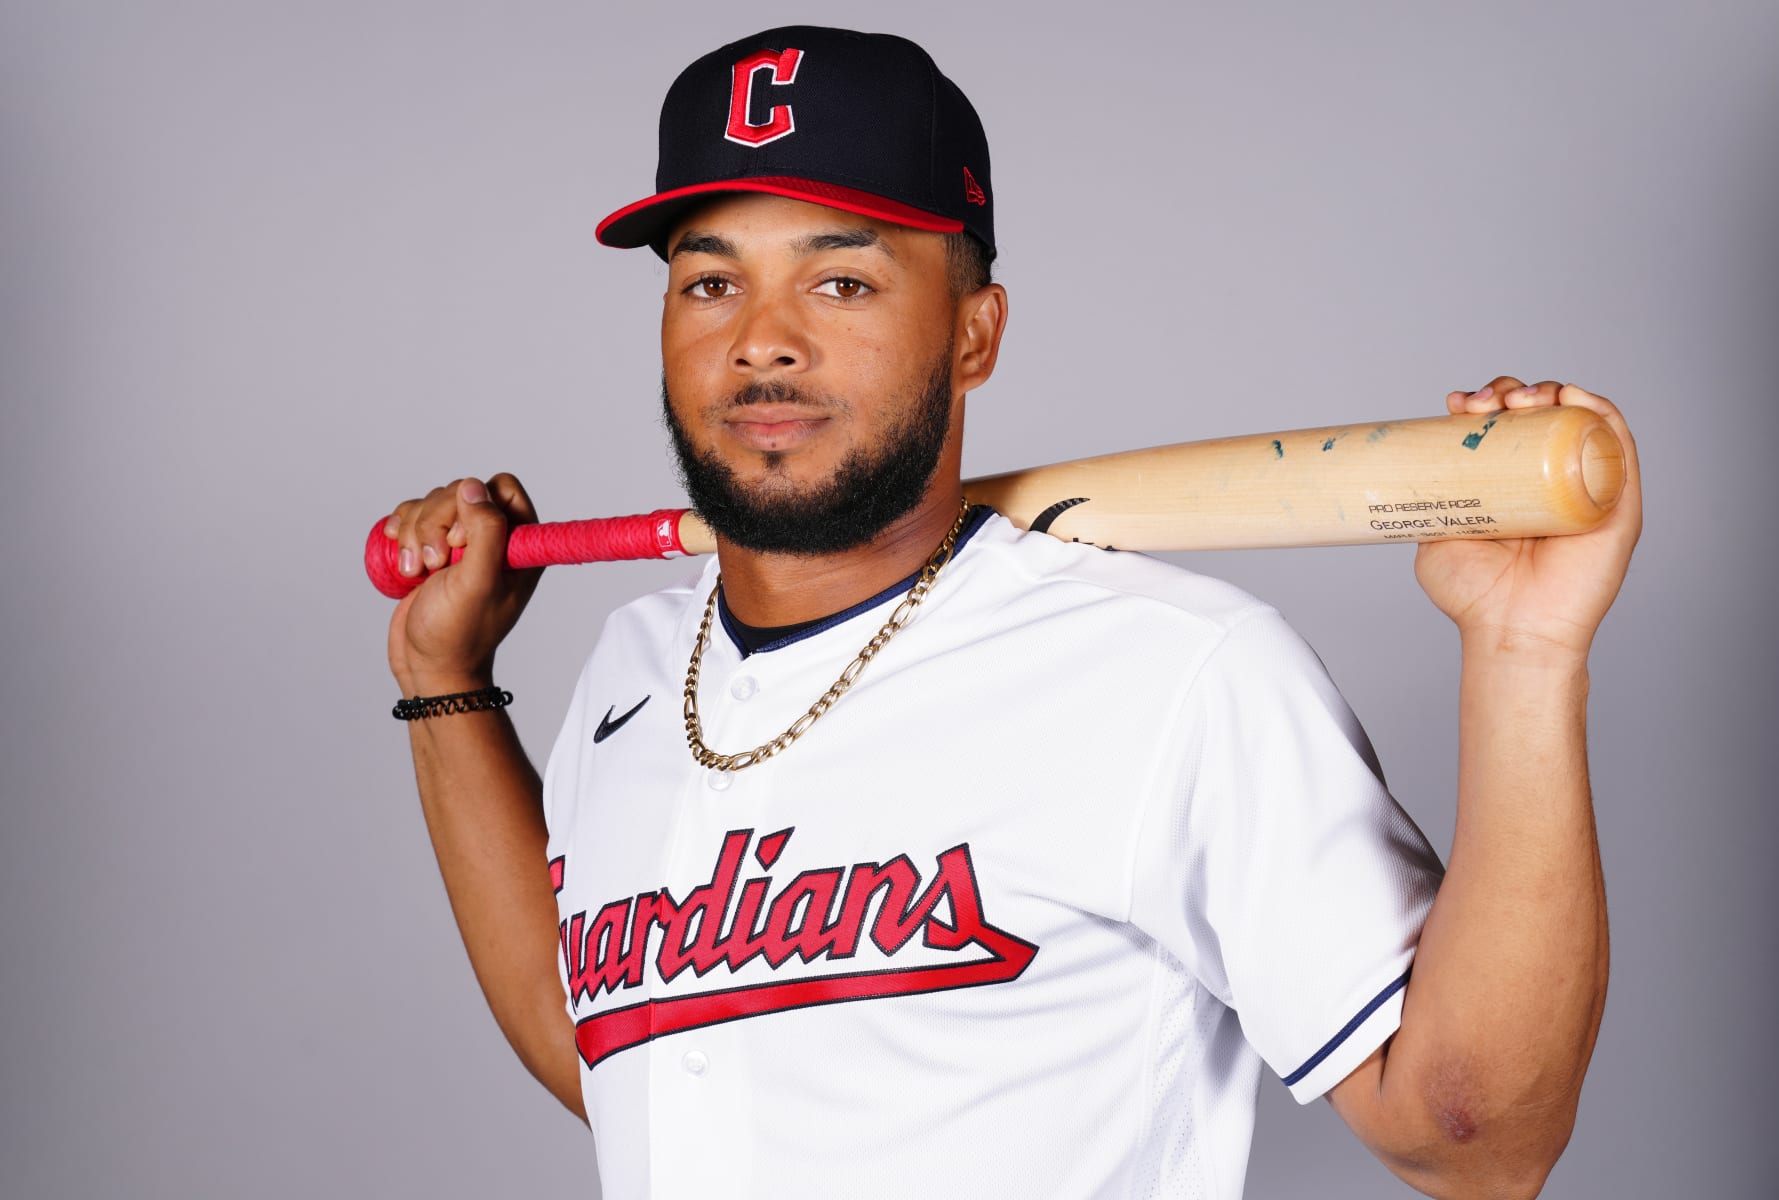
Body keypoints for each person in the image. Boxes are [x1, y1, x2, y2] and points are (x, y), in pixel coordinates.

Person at [380, 25, 1641, 1200]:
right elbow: (611, 1054)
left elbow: (1479, 1141)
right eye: (711, 285)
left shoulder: (1174, 670)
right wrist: (447, 682)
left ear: (974, 333)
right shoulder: (637, 663)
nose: (762, 341)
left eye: (843, 283)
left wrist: (1524, 651)